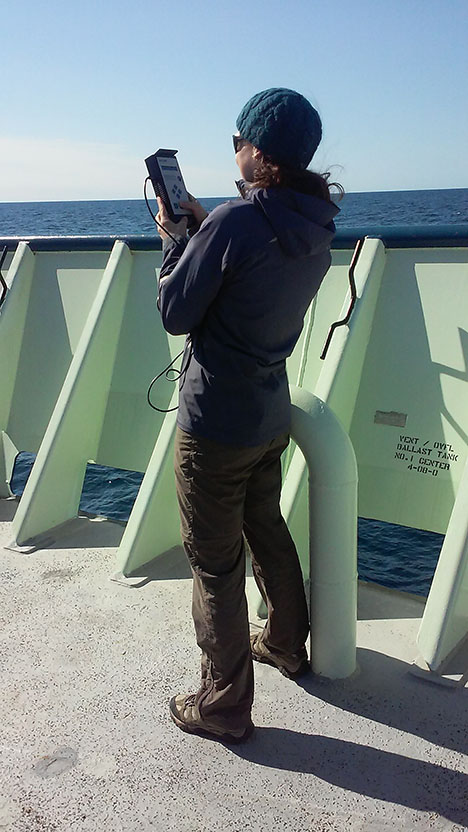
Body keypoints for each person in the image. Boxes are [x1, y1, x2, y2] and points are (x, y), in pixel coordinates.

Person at [155, 88, 340, 743]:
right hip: (267, 417)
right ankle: (286, 643)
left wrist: (177, 242)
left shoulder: (235, 223)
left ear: (259, 152)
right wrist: (209, 228)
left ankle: (224, 704)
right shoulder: (315, 224)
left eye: (239, 140)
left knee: (214, 564)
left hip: (214, 427)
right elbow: (254, 266)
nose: (234, 149)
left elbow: (176, 312)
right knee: (266, 526)